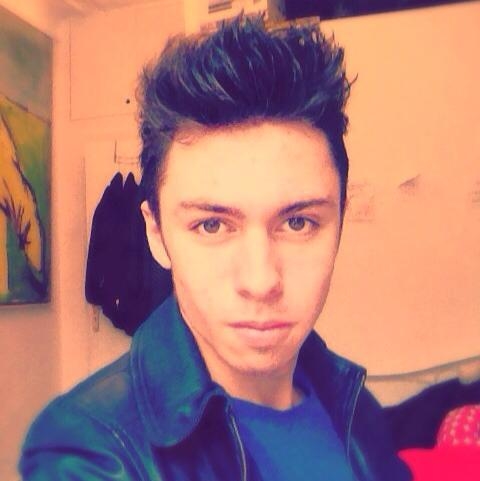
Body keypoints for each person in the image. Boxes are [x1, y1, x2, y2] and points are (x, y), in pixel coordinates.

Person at [19, 14, 411, 481]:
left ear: (340, 220)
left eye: (298, 222)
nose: (260, 281)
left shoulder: (356, 406)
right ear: (156, 234)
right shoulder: (89, 449)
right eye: (211, 226)